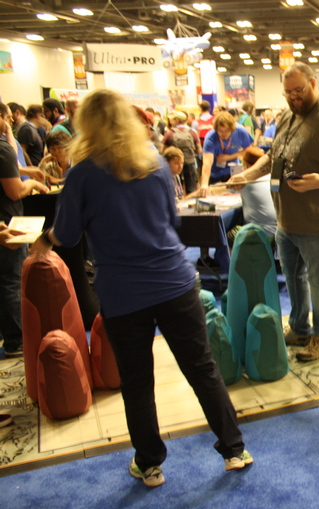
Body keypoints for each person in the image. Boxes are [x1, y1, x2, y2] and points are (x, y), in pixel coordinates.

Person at [29, 89, 252, 487]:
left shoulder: (82, 173)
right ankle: (234, 449)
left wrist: (43, 240)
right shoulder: (154, 162)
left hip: (123, 293)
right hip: (174, 282)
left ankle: (150, 463)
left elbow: (67, 233)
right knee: (201, 368)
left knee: (137, 381)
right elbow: (172, 219)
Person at [230, 62, 319, 362]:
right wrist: (247, 175)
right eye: (288, 92)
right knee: (293, 277)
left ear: (313, 83)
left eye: (299, 90)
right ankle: (300, 328)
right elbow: (273, 158)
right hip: (287, 219)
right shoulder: (289, 115)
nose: (293, 97)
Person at [0, 102, 49, 359]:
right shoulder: (3, 149)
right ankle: (17, 340)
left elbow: (8, 167)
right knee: (11, 280)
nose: (10, 123)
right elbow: (15, 190)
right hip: (8, 223)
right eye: (7, 118)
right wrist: (32, 184)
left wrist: (25, 170)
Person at [197, 110, 253, 193]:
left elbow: (249, 151)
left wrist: (229, 157)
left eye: (227, 130)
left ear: (232, 129)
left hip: (233, 173)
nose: (224, 134)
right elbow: (207, 163)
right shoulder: (210, 137)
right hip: (215, 174)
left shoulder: (241, 132)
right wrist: (204, 184)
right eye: (220, 131)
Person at [162, 111, 201, 194]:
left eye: (172, 120)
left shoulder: (170, 133)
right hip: (190, 163)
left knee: (176, 189)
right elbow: (199, 150)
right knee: (191, 188)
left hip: (174, 165)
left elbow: (162, 150)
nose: (170, 121)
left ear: (177, 120)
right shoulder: (192, 132)